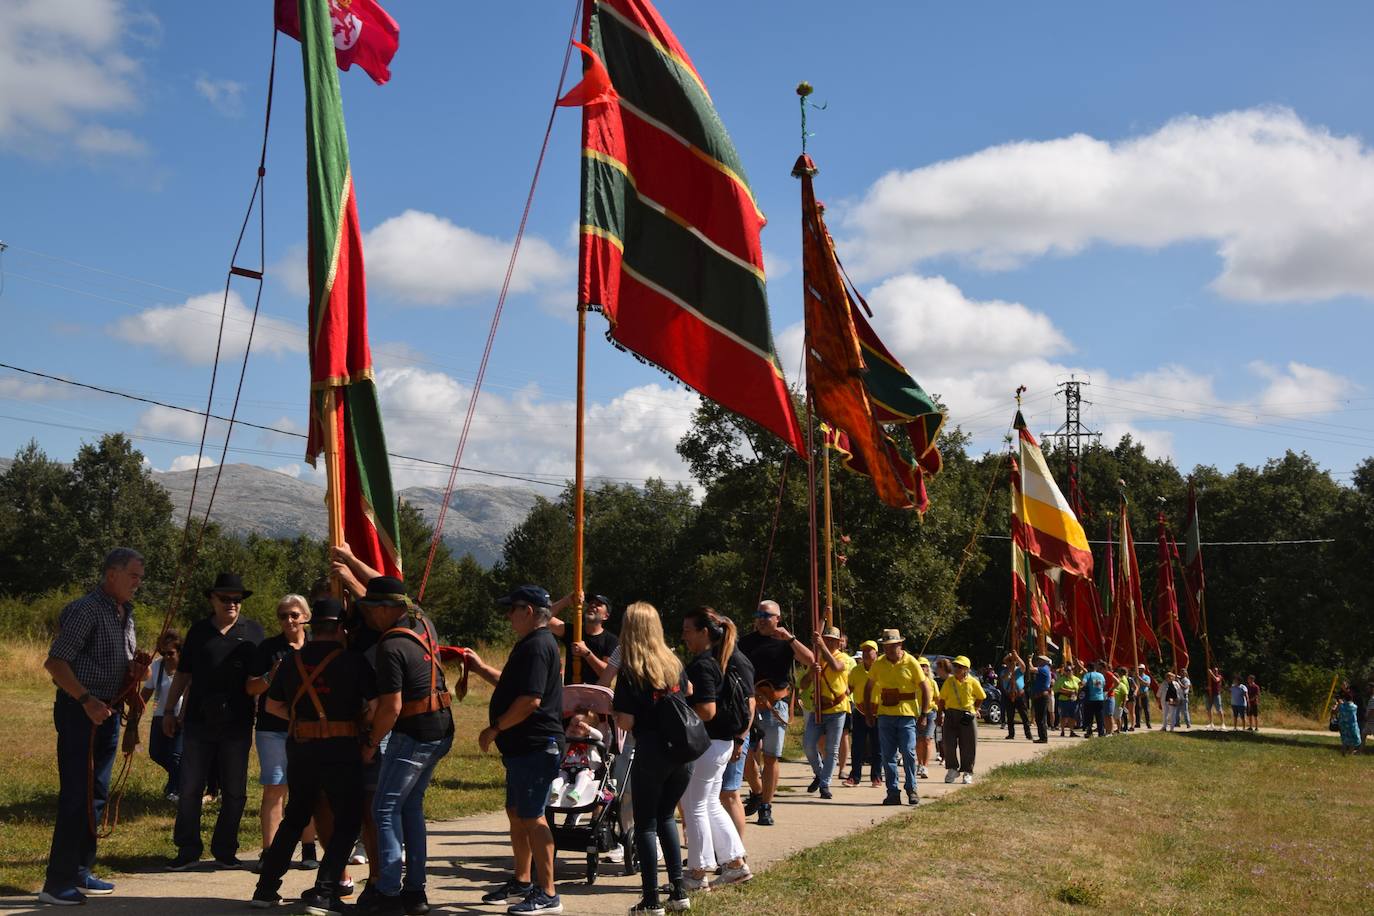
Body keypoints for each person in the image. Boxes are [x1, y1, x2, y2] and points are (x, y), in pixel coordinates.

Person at [251, 598, 374, 914]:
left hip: (302, 748)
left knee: (295, 817)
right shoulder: (353, 661)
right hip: (342, 749)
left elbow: (272, 706)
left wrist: (302, 721)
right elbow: (374, 706)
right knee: (347, 821)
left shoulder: (291, 661)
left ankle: (265, 889)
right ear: (339, 628)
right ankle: (324, 890)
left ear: (312, 626)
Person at [39, 547, 144, 907]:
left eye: (140, 577)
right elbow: (55, 663)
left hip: (108, 713)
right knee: (75, 795)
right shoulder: (86, 610)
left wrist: (134, 673)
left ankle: (80, 869)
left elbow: (121, 661)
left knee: (96, 793)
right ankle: (56, 882)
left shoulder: (125, 615)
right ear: (111, 574)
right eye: (133, 576)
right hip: (80, 712)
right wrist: (87, 701)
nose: (137, 583)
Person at [356, 576, 456, 916]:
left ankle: (388, 895)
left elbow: (391, 708)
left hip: (413, 734)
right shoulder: (422, 623)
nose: (367, 615)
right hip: (442, 729)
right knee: (410, 807)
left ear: (387, 609)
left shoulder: (389, 646)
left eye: (371, 608)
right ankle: (415, 892)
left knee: (383, 810)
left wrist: (370, 742)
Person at [164, 572, 265, 870]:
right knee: (191, 787)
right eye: (225, 599)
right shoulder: (198, 632)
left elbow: (259, 679)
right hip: (198, 721)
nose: (232, 604)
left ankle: (225, 850)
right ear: (212, 599)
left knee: (235, 790)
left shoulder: (254, 632)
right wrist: (169, 711)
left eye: (237, 600)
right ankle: (187, 849)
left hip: (238, 722)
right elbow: (183, 674)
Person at [613, 601, 697, 915]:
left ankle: (651, 900)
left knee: (646, 825)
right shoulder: (673, 661)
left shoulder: (631, 669)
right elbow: (687, 690)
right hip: (681, 753)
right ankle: (678, 891)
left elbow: (626, 721)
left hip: (650, 751)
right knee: (666, 819)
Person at [679, 607, 752, 894]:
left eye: (688, 630)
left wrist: (680, 707)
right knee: (709, 804)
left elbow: (707, 711)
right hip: (719, 743)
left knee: (693, 805)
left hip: (707, 744)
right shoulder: (714, 662)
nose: (684, 635)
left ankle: (697, 874)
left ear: (704, 632)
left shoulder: (702, 665)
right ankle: (734, 864)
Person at [247, 594, 318, 870]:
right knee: (275, 788)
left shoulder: (317, 646)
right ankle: (271, 852)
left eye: (294, 614)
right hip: (272, 729)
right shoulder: (268, 648)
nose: (288, 620)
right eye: (283, 615)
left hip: (310, 729)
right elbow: (250, 688)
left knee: (308, 789)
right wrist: (270, 676)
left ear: (306, 617)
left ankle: (309, 848)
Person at [737, 599, 814, 827]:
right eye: (758, 614)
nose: (761, 619)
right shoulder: (745, 642)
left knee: (770, 758)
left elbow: (810, 660)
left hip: (775, 705)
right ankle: (758, 791)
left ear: (777, 618)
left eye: (766, 615)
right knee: (746, 755)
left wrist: (790, 638)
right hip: (749, 704)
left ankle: (765, 806)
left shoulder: (786, 642)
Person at [865, 629, 928, 806]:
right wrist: (869, 712)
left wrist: (924, 713)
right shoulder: (878, 664)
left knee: (908, 752)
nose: (889, 650)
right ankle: (892, 792)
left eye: (893, 646)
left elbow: (925, 688)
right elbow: (868, 687)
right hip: (885, 715)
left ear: (900, 645)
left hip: (907, 715)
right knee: (888, 756)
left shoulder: (911, 662)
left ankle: (911, 788)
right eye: (886, 646)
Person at [800, 626, 852, 800]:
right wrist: (811, 673)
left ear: (838, 642)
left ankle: (824, 784)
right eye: (826, 639)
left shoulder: (844, 657)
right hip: (819, 709)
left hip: (837, 709)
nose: (828, 642)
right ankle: (820, 773)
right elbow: (804, 684)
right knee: (808, 744)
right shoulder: (818, 659)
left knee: (832, 749)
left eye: (831, 640)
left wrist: (821, 647)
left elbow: (837, 667)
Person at [142, 630, 184, 800]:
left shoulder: (187, 668)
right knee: (156, 753)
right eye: (163, 653)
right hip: (159, 716)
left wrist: (181, 717)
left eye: (170, 653)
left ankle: (176, 789)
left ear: (180, 651)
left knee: (175, 755)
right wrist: (135, 706)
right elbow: (146, 692)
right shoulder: (157, 666)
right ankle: (181, 779)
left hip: (180, 716)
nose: (166, 656)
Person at [549, 593, 619, 685]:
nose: (593, 605)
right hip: (571, 693)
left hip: (596, 694)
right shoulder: (573, 631)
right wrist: (567, 600)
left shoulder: (611, 640)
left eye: (598, 605)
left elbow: (606, 674)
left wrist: (586, 653)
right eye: (591, 603)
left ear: (605, 616)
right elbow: (543, 619)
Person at [936, 655, 985, 784]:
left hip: (967, 715)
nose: (957, 668)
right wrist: (939, 715)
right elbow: (942, 700)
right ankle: (952, 768)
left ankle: (967, 771)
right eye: (955, 666)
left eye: (960, 667)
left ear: (966, 669)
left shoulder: (973, 681)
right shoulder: (949, 682)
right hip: (951, 714)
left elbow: (981, 696)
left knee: (969, 744)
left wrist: (975, 709)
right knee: (948, 743)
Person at [846, 640, 881, 787]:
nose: (866, 653)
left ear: (876, 653)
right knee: (857, 746)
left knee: (878, 746)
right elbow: (849, 689)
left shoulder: (882, 669)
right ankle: (854, 776)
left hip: (879, 713)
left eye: (869, 650)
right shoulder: (856, 670)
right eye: (864, 651)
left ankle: (877, 777)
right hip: (860, 711)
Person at [915, 656, 938, 777]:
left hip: (930, 713)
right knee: (919, 741)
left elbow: (937, 698)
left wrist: (939, 712)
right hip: (916, 713)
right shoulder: (913, 682)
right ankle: (919, 763)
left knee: (927, 739)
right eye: (920, 666)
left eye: (924, 666)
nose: (922, 668)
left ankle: (925, 766)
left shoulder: (932, 682)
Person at [1003, 652, 1032, 741]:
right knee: (1010, 716)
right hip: (1009, 695)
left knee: (1024, 715)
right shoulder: (1004, 671)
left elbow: (1023, 665)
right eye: (1010, 661)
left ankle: (1028, 734)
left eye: (1013, 661)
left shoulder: (1019, 670)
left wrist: (1017, 657)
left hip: (1020, 695)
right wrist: (1010, 669)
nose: (1011, 663)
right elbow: (1006, 678)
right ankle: (1011, 734)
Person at [1054, 662, 1081, 738]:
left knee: (1072, 716)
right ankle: (1062, 731)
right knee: (1063, 716)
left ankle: (1072, 731)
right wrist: (1069, 691)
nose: (1068, 672)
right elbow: (1057, 689)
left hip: (1073, 700)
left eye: (1070, 670)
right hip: (1064, 700)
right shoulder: (1061, 679)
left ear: (1072, 671)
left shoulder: (1076, 679)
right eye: (1066, 670)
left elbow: (1080, 686)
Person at [1080, 661, 1107, 738]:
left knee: (1089, 716)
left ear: (1088, 668)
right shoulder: (1101, 675)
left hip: (1090, 699)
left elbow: (1083, 683)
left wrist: (1080, 685)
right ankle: (1101, 732)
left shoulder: (1088, 675)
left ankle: (1089, 732)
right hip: (1100, 698)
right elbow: (1104, 685)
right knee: (1100, 716)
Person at [1337, 689, 1362, 756]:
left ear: (1344, 699)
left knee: (1344, 738)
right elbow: (1352, 705)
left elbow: (1338, 709)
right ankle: (1350, 753)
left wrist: (1340, 702)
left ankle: (1343, 751)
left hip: (1343, 724)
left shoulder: (1342, 706)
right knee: (1353, 739)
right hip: (1352, 725)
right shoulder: (1354, 707)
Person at [1134, 665, 1154, 730]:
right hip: (1138, 694)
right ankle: (1137, 723)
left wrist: (1139, 678)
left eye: (1141, 669)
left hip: (1144, 694)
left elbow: (1147, 684)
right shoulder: (1135, 677)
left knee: (1146, 710)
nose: (1139, 670)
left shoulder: (1146, 677)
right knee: (1137, 709)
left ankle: (1148, 723)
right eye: (1139, 668)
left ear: (1144, 669)